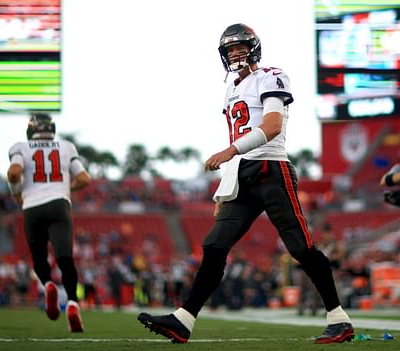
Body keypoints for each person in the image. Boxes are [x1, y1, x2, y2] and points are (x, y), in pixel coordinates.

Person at [137, 23, 354, 344]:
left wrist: (229, 151)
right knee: (214, 244)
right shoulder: (231, 88)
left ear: (255, 48)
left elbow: (272, 125)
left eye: (241, 47)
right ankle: (183, 320)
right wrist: (224, 189)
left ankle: (339, 318)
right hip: (241, 173)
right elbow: (238, 138)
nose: (236, 54)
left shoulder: (271, 75)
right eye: (230, 50)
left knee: (301, 248)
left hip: (271, 168)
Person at [7, 113, 91, 332]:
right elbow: (84, 179)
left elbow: (14, 173)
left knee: (39, 257)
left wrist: (16, 193)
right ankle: (72, 303)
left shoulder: (20, 148)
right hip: (59, 206)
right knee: (65, 259)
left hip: (32, 208)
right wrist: (63, 187)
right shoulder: (66, 146)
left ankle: (48, 285)